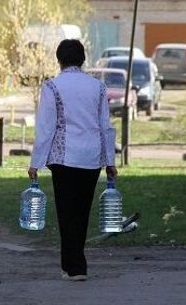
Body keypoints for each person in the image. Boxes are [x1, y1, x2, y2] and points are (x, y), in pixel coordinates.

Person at [28, 39, 117, 282]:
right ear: (82, 59)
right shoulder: (97, 87)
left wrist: (35, 162)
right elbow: (105, 127)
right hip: (91, 157)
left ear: (60, 59)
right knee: (82, 211)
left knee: (66, 212)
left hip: (63, 158)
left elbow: (46, 127)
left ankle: (73, 266)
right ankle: (77, 264)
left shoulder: (53, 86)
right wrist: (110, 160)